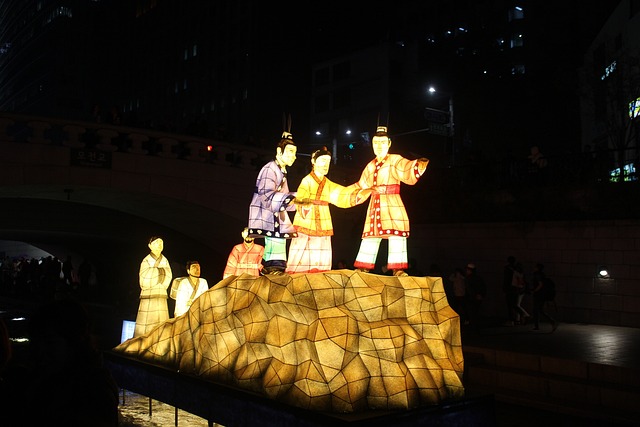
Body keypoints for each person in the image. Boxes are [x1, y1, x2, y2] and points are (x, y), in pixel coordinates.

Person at [26, 299, 119, 426]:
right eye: (35, 342)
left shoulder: (93, 392)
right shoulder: (49, 378)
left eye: (50, 343)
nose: (39, 351)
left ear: (74, 343)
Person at [352, 125, 429, 276]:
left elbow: (406, 169)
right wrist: (350, 193)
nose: (379, 146)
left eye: (382, 142)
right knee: (370, 236)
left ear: (389, 143)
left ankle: (398, 269)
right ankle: (363, 267)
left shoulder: (395, 160)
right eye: (375, 143)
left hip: (392, 202)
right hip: (374, 204)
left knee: (397, 235)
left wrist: (418, 165)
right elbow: (361, 185)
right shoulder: (370, 166)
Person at [286, 146, 370, 274]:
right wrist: (305, 205)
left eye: (328, 161)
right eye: (323, 160)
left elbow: (343, 195)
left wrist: (363, 190)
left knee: (321, 251)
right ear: (313, 161)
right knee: (303, 249)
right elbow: (300, 199)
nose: (326, 164)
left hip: (324, 219)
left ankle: (320, 273)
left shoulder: (328, 184)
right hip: (307, 220)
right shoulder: (307, 181)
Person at [247, 130, 305, 275]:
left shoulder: (281, 170)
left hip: (276, 216)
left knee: (278, 246)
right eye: (290, 152)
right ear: (279, 151)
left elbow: (284, 196)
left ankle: (274, 269)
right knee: (274, 246)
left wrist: (298, 200)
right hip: (268, 216)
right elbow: (266, 195)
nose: (294, 156)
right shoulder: (270, 169)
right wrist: (293, 199)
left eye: (295, 153)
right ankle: (272, 269)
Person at [134, 236, 172, 337]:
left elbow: (169, 274)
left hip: (161, 294)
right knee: (145, 326)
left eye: (161, 243)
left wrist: (159, 273)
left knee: (162, 324)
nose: (159, 245)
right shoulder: (146, 260)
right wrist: (160, 272)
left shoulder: (165, 260)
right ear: (150, 246)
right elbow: (144, 277)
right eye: (156, 243)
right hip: (148, 295)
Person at [531, 263, 558, 332]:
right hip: (542, 295)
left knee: (536, 310)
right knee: (539, 310)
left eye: (535, 267)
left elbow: (540, 284)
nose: (534, 268)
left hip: (538, 295)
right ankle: (550, 322)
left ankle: (540, 325)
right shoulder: (542, 274)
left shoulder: (537, 274)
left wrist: (534, 291)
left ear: (537, 268)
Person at [464, 263, 486, 332]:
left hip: (471, 299)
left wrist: (473, 296)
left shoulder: (469, 278)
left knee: (472, 314)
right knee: (476, 313)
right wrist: (481, 295)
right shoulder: (478, 278)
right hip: (477, 298)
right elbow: (483, 287)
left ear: (469, 270)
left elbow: (469, 289)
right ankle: (476, 328)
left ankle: (473, 329)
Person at [502, 255, 519, 326]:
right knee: (515, 305)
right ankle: (517, 319)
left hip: (509, 289)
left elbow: (506, 280)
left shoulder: (507, 269)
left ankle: (511, 320)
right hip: (516, 289)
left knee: (509, 305)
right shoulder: (517, 268)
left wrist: (504, 289)